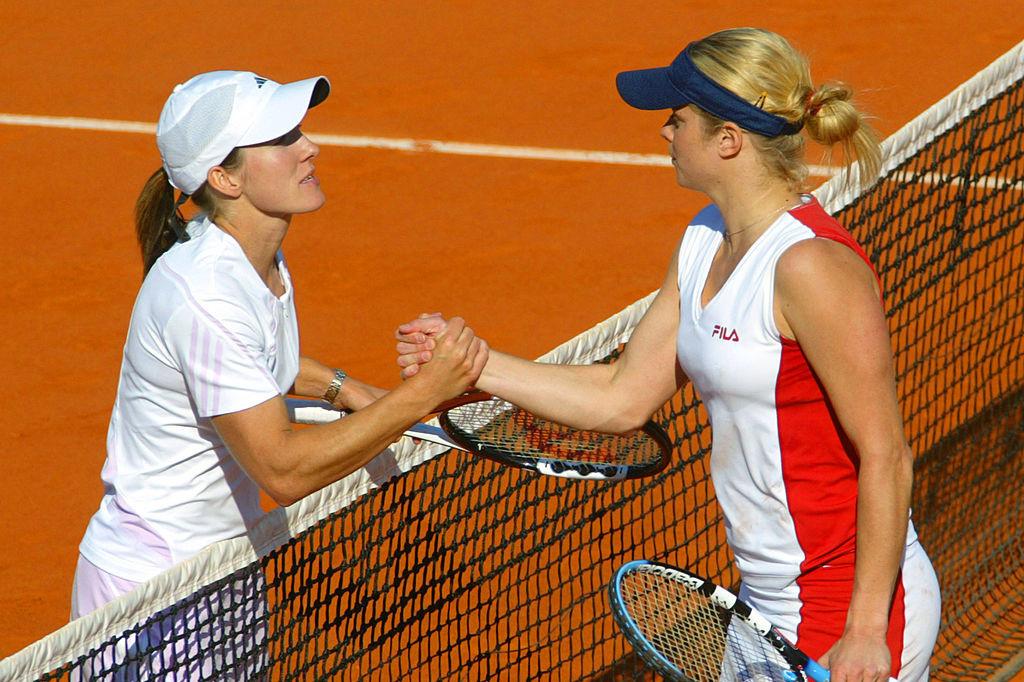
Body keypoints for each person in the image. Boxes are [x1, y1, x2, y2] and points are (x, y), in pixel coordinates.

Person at [396, 28, 940, 682]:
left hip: (852, 603)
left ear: (728, 140)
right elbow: (622, 398)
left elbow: (887, 453)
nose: (665, 133)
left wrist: (864, 631)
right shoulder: (703, 240)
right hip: (769, 602)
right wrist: (474, 363)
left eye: (677, 119)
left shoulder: (811, 268)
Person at [74, 70, 487, 621]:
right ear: (224, 178)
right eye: (282, 139)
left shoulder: (250, 251)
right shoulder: (206, 293)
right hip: (153, 598)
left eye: (299, 130)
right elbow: (285, 472)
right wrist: (420, 396)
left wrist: (344, 389)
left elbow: (252, 363)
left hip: (221, 570)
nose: (310, 147)